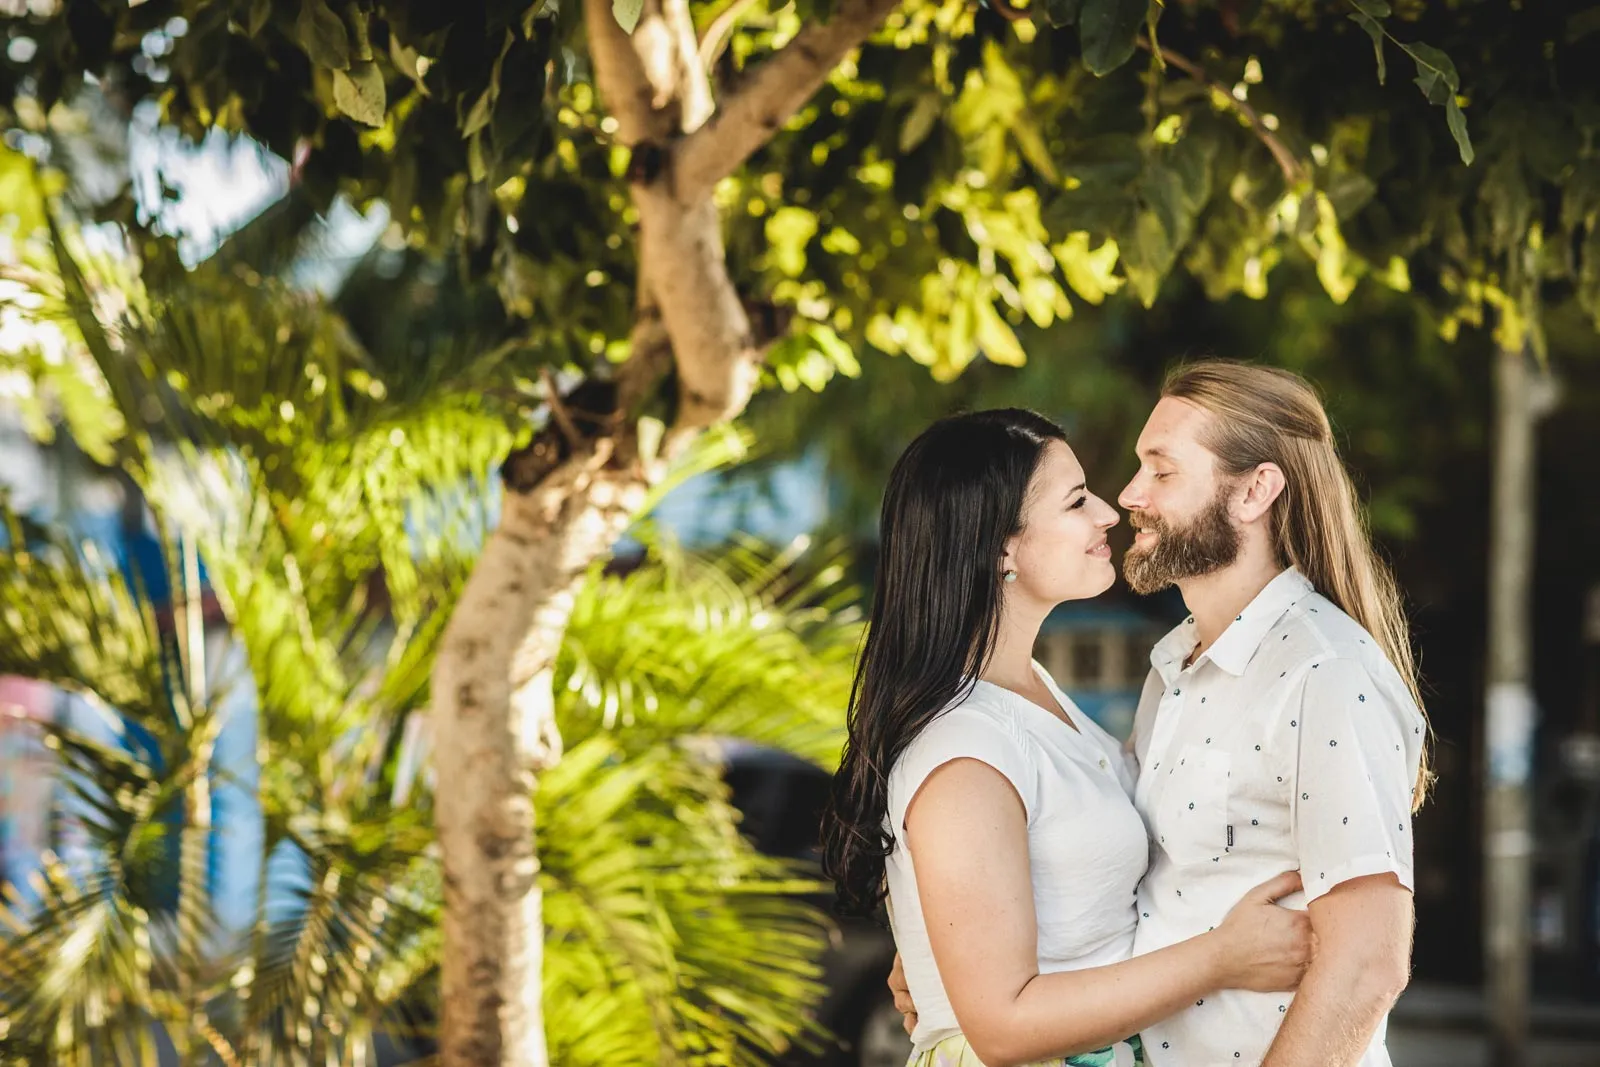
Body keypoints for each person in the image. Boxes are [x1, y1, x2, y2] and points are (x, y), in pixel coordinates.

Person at [887, 362, 1431, 1067]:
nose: (1125, 499)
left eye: (1162, 472)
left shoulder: (1324, 672)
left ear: (1256, 491)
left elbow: (1367, 965)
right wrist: (945, 947)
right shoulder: (1173, 670)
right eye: (1082, 498)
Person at [821, 408, 1314, 1067]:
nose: (1108, 513)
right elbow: (1003, 1025)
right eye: (1077, 501)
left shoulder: (1035, 697)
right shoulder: (963, 750)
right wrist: (1223, 957)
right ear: (1001, 547)